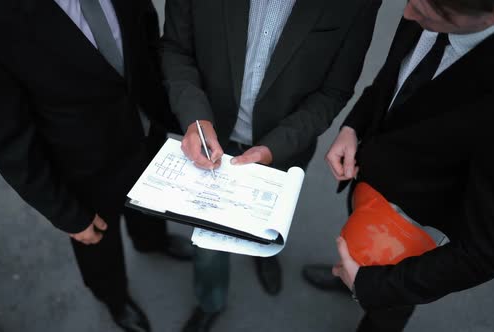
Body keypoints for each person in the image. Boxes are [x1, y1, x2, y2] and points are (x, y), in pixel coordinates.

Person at [0, 0, 194, 331]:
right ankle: (114, 298)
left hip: (145, 123)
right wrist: (64, 211)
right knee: (98, 245)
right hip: (81, 166)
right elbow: (7, 137)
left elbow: (141, 22)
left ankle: (152, 241)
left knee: (151, 203)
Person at [161, 0, 381, 330]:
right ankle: (211, 300)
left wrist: (273, 149)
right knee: (208, 245)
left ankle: (264, 254)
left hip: (284, 145)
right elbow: (176, 50)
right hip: (210, 137)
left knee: (265, 224)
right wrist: (195, 116)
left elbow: (333, 91)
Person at [302, 0, 494, 331]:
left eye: (435, 14)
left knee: (386, 314)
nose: (407, 14)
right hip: (370, 183)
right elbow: (394, 76)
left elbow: (487, 251)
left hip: (416, 229)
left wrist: (372, 286)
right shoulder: (427, 6)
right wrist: (353, 126)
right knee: (355, 253)